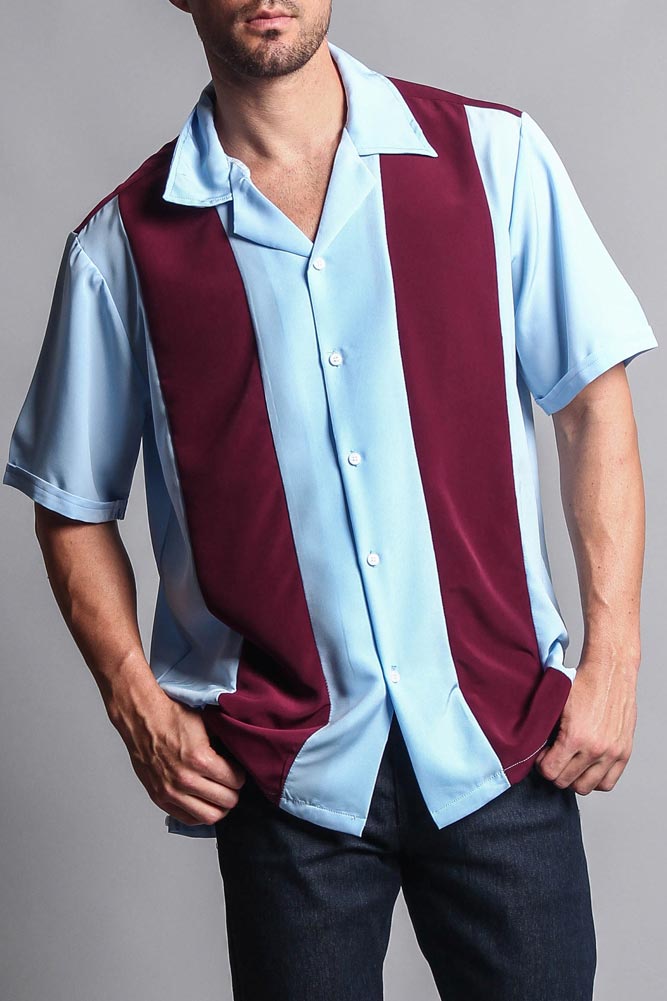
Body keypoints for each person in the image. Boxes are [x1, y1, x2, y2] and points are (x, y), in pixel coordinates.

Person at [3, 1, 658, 998]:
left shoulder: (494, 158)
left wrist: (612, 661)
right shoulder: (121, 247)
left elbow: (591, 405)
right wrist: (134, 700)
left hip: (502, 744)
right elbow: (70, 503)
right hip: (285, 781)